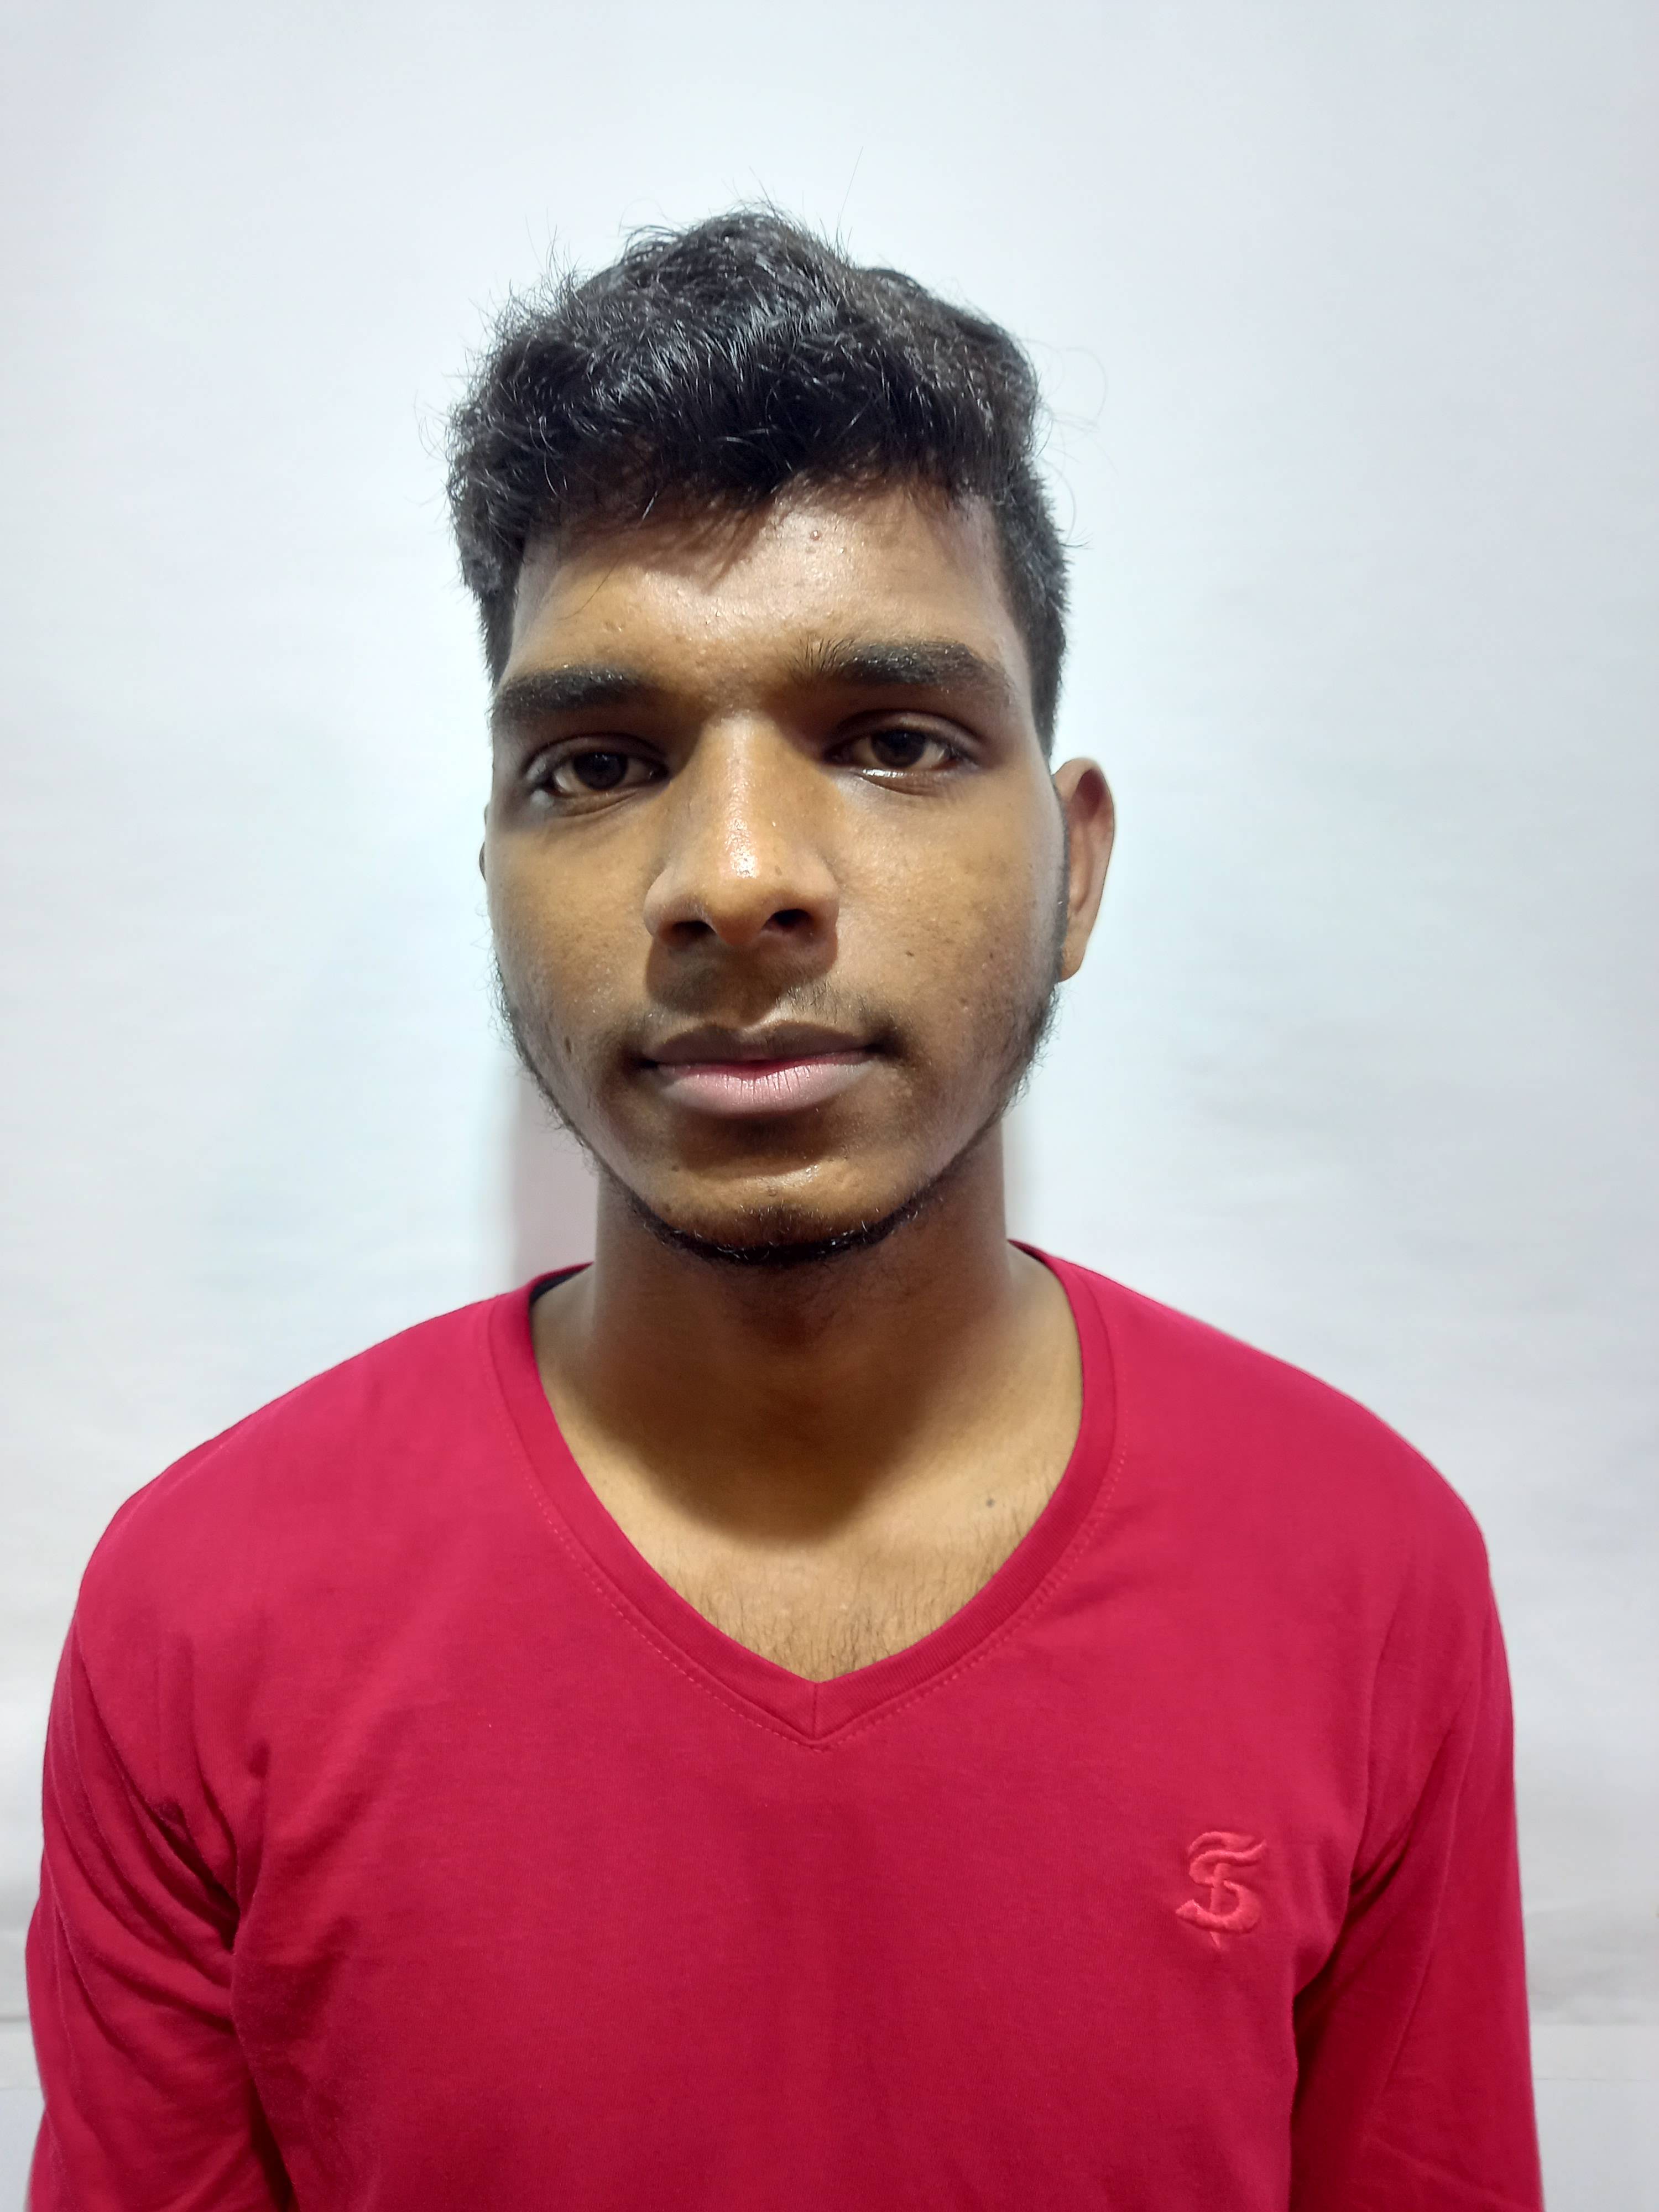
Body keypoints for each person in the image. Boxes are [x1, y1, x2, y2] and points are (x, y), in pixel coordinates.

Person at [26, 211, 1542, 2209]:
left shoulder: (1363, 1574)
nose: (735, 878)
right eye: (598, 765)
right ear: (496, 876)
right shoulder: (202, 1619)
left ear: (1074, 867)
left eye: (895, 741)